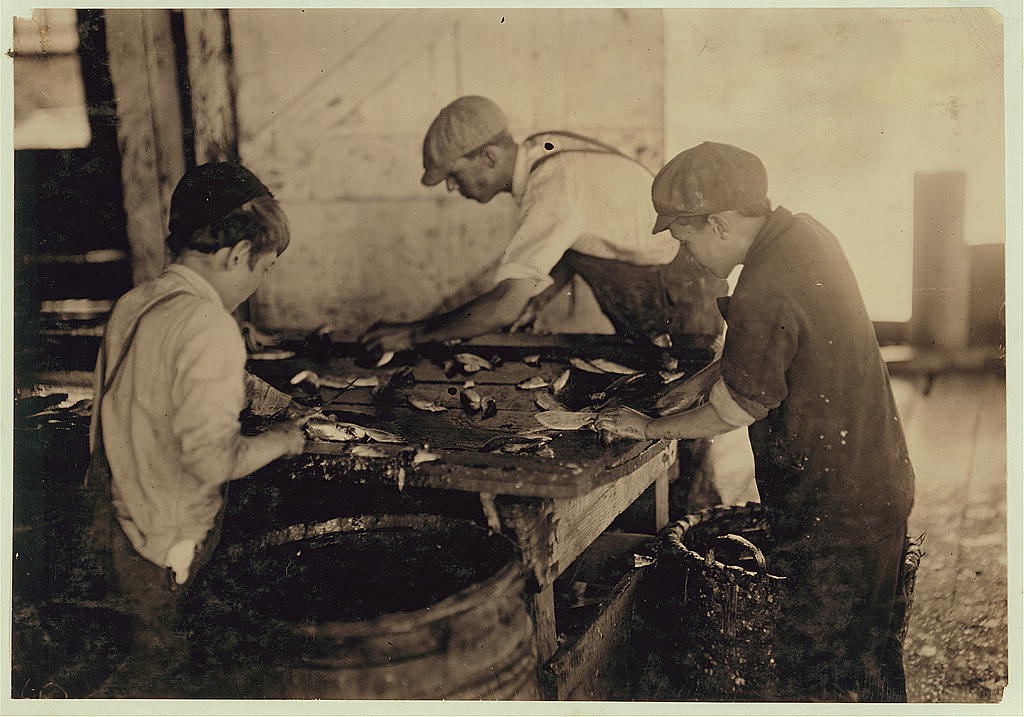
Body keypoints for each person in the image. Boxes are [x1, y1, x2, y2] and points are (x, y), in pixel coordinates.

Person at [595, 142, 915, 702]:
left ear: (718, 224)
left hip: (832, 509)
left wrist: (645, 429)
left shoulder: (763, 286)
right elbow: (790, 338)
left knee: (816, 672)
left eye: (685, 237)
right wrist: (704, 377)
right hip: (877, 482)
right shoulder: (803, 235)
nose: (686, 254)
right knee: (872, 653)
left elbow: (738, 409)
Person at [84, 162, 307, 685]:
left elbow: (141, 394)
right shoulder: (210, 327)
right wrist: (281, 439)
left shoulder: (137, 302)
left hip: (123, 522)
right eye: (264, 268)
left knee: (148, 656)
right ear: (236, 256)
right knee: (181, 672)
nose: (259, 282)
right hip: (172, 543)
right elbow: (211, 460)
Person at [360, 95, 726, 354]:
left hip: (675, 292)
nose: (452, 188)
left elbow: (505, 305)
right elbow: (579, 234)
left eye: (454, 176)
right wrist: (542, 295)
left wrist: (412, 334)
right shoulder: (541, 149)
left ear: (488, 157)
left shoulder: (552, 185)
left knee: (681, 416)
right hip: (668, 278)